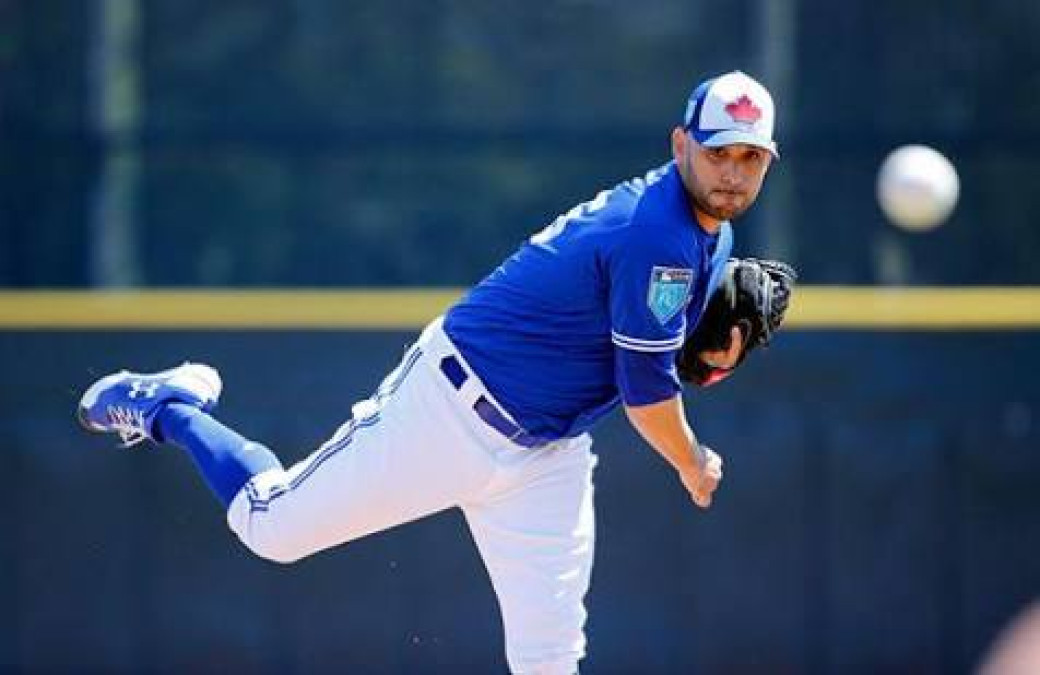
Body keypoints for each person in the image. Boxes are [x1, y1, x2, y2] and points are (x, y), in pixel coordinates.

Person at [78, 70, 779, 674]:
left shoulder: (707, 236)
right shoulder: (657, 232)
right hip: (451, 409)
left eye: (751, 157)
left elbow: (653, 357)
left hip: (548, 450)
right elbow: (648, 394)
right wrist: (693, 461)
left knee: (550, 658)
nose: (733, 172)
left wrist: (703, 356)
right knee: (273, 526)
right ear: (680, 143)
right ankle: (170, 405)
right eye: (720, 152)